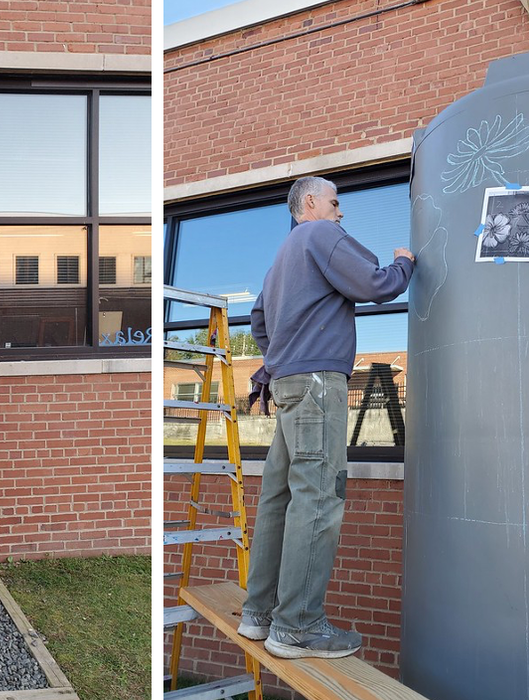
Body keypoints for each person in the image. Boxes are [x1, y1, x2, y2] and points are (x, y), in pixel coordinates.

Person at [237, 176, 415, 659]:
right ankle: (297, 627)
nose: (341, 213)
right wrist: (405, 263)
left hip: (290, 385)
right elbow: (374, 283)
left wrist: (283, 357)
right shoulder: (319, 235)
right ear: (310, 203)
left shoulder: (281, 259)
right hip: (317, 385)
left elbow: (257, 321)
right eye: (335, 202)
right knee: (318, 499)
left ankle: (260, 614)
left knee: (279, 499)